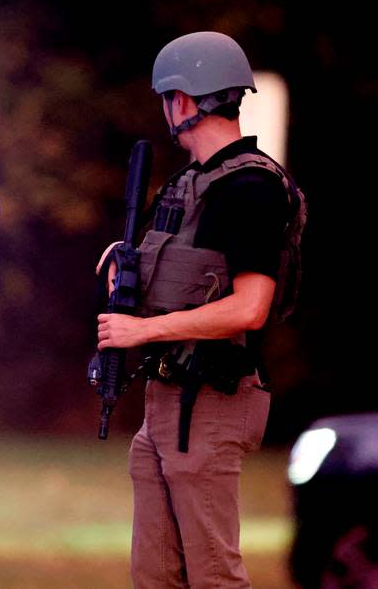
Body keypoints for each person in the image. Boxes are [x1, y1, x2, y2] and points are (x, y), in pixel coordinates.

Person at [96, 31, 306, 588]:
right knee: (156, 576)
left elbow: (250, 307)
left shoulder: (250, 188)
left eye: (166, 97)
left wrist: (142, 329)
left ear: (183, 101)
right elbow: (177, 276)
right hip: (168, 399)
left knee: (213, 575)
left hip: (211, 401)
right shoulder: (190, 184)